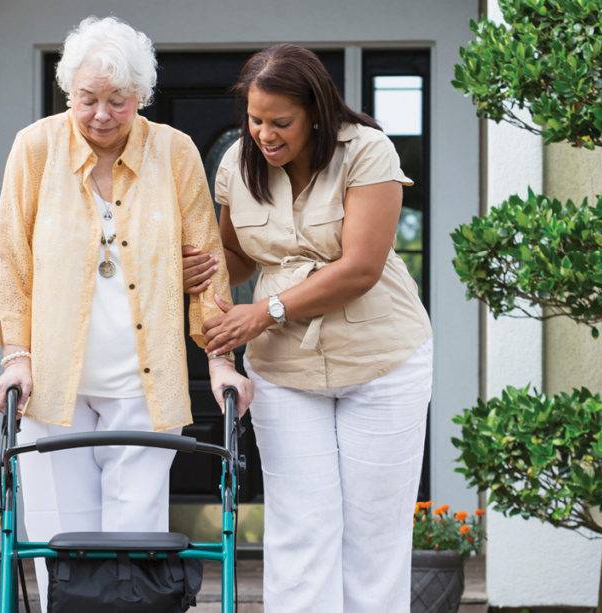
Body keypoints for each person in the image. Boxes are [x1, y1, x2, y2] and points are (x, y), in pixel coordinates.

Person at [0, 16, 252, 610]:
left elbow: (207, 267)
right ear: (67, 93)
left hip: (142, 388)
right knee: (59, 548)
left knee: (135, 552)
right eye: (87, 99)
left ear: (142, 97)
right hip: (52, 387)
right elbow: (11, 261)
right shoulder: (36, 148)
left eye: (118, 101)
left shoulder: (174, 153)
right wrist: (15, 357)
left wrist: (220, 361)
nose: (101, 114)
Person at [185, 44, 433, 611]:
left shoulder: (366, 151)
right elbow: (238, 257)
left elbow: (361, 268)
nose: (264, 134)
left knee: (374, 535)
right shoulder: (237, 164)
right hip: (285, 368)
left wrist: (264, 312)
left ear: (316, 113)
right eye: (253, 119)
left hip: (382, 361)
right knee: (301, 528)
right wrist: (203, 268)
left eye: (280, 123)